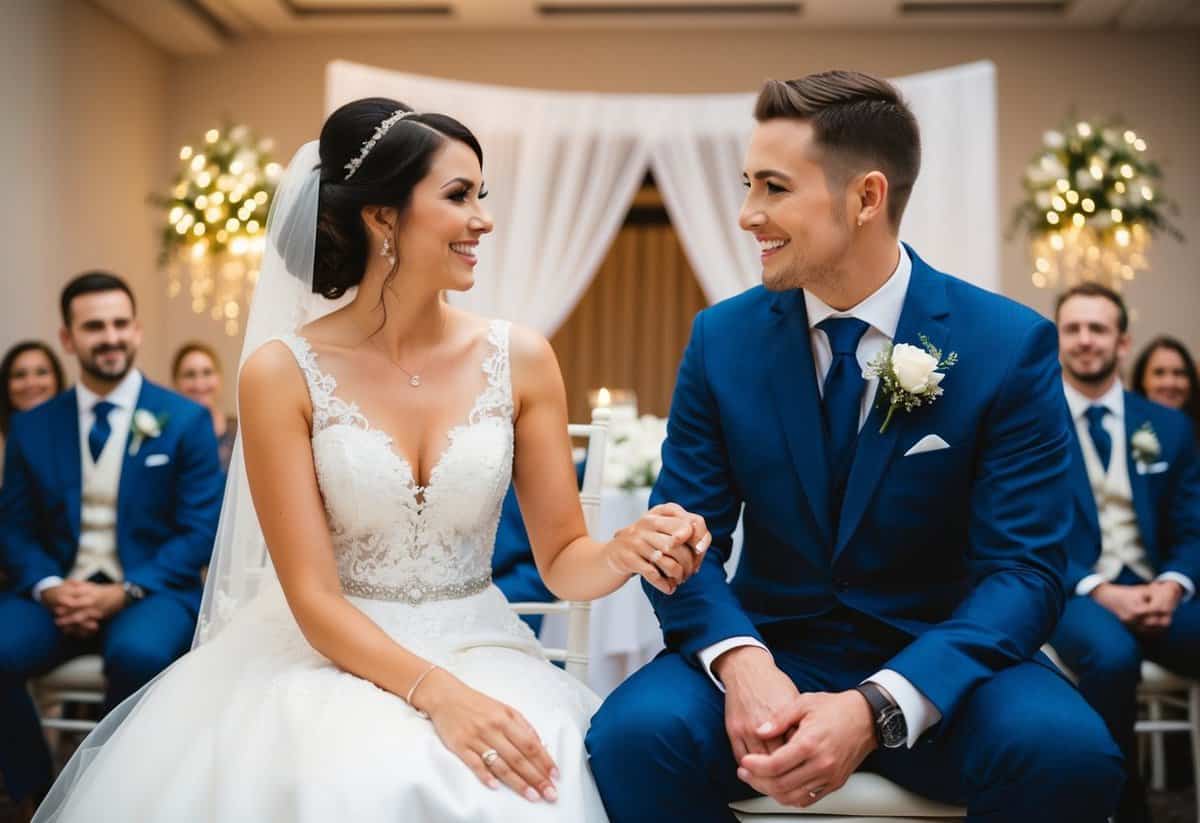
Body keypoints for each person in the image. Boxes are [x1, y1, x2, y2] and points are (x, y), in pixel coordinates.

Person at [32, 98, 709, 823]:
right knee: (361, 782)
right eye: (458, 196)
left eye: (482, 196)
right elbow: (314, 597)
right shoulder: (279, 372)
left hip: (482, 641)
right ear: (382, 217)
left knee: (532, 779)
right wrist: (441, 694)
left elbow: (564, 558)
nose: (482, 218)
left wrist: (622, 551)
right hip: (328, 651)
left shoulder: (523, 359)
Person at [586, 71, 1123, 823]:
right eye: (748, 185)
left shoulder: (1005, 346)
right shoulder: (722, 340)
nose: (747, 215)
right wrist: (743, 664)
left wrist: (877, 706)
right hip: (771, 650)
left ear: (866, 197)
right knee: (631, 737)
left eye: (773, 187)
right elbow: (684, 540)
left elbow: (1026, 572)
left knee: (1070, 754)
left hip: (945, 667)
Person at [0, 272, 224, 820]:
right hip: (57, 596)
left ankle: (116, 798)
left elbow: (199, 529)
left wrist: (124, 590)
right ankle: (33, 796)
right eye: (94, 326)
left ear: (138, 330)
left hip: (151, 592)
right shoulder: (33, 427)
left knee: (141, 655)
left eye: (121, 324)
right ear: (68, 338)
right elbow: (14, 528)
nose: (111, 336)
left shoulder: (184, 420)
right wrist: (52, 588)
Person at [1048, 283, 1200, 823]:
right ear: (1057, 339)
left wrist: (1174, 583)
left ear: (1122, 341)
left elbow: (1192, 527)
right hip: (1075, 591)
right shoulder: (1029, 423)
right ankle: (1120, 806)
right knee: (1112, 658)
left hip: (1160, 591)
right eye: (1073, 329)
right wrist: (1100, 590)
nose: (1086, 340)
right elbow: (1018, 531)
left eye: (1098, 328)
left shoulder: (1167, 426)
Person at [172, 341, 237, 472]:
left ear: (219, 378)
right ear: (176, 382)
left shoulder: (239, 431)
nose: (199, 384)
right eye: (190, 375)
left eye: (207, 373)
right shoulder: (168, 435)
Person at [0, 341, 67, 470]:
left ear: (57, 379)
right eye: (19, 375)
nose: (31, 383)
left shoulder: (79, 432)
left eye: (41, 372)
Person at [1131, 335, 1200, 439]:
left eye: (1179, 373)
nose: (1170, 383)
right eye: (1159, 373)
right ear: (1142, 380)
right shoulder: (1125, 428)